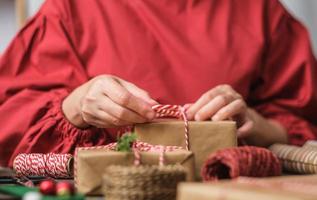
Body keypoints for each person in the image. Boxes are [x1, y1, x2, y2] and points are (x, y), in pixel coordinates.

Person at [0, 0, 316, 167]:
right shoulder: (73, 8)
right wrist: (75, 107)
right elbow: (9, 123)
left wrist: (254, 123)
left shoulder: (261, 11)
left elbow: (303, 124)